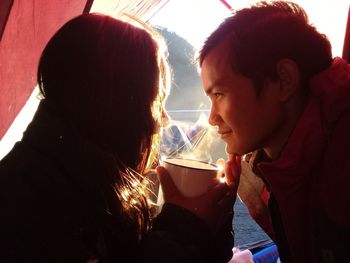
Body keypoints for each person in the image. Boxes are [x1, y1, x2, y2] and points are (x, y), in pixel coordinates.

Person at [0, 13, 236, 262]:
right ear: (113, 105)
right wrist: (184, 227)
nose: (162, 121)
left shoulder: (97, 185)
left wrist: (211, 223)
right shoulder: (23, 205)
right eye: (155, 103)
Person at [198, 1, 350, 262]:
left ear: (284, 79)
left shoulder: (342, 159)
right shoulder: (277, 163)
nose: (212, 119)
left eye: (219, 94)